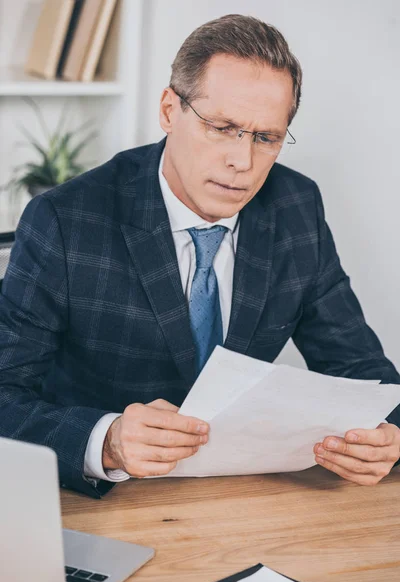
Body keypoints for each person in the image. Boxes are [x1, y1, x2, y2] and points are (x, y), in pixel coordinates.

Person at [1, 14, 399, 499]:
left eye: (265, 137)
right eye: (223, 127)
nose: (243, 162)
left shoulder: (296, 207)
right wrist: (105, 441)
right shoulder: (65, 219)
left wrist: (388, 438)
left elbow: (365, 374)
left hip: (242, 497)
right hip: (101, 500)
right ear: (170, 109)